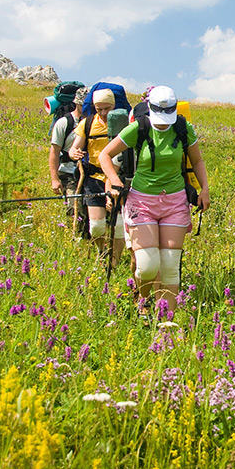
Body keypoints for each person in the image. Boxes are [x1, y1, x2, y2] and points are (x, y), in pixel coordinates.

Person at [99, 85, 210, 318]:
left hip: (175, 201)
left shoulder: (183, 128)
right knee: (147, 266)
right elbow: (104, 155)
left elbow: (197, 161)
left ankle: (167, 322)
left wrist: (204, 190)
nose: (163, 123)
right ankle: (144, 298)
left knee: (170, 266)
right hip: (142, 201)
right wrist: (115, 181)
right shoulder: (138, 128)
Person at [68, 88, 125, 265]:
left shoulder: (122, 123)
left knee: (118, 225)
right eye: (99, 109)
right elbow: (73, 149)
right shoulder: (87, 124)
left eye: (107, 108)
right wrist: (74, 153)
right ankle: (102, 253)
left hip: (117, 178)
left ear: (114, 106)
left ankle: (114, 261)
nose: (103, 113)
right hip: (93, 178)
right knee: (97, 226)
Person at [48, 86, 86, 218]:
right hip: (68, 172)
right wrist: (54, 179)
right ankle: (75, 236)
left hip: (88, 172)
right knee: (75, 209)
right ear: (76, 102)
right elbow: (54, 152)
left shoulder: (94, 122)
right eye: (83, 104)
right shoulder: (63, 123)